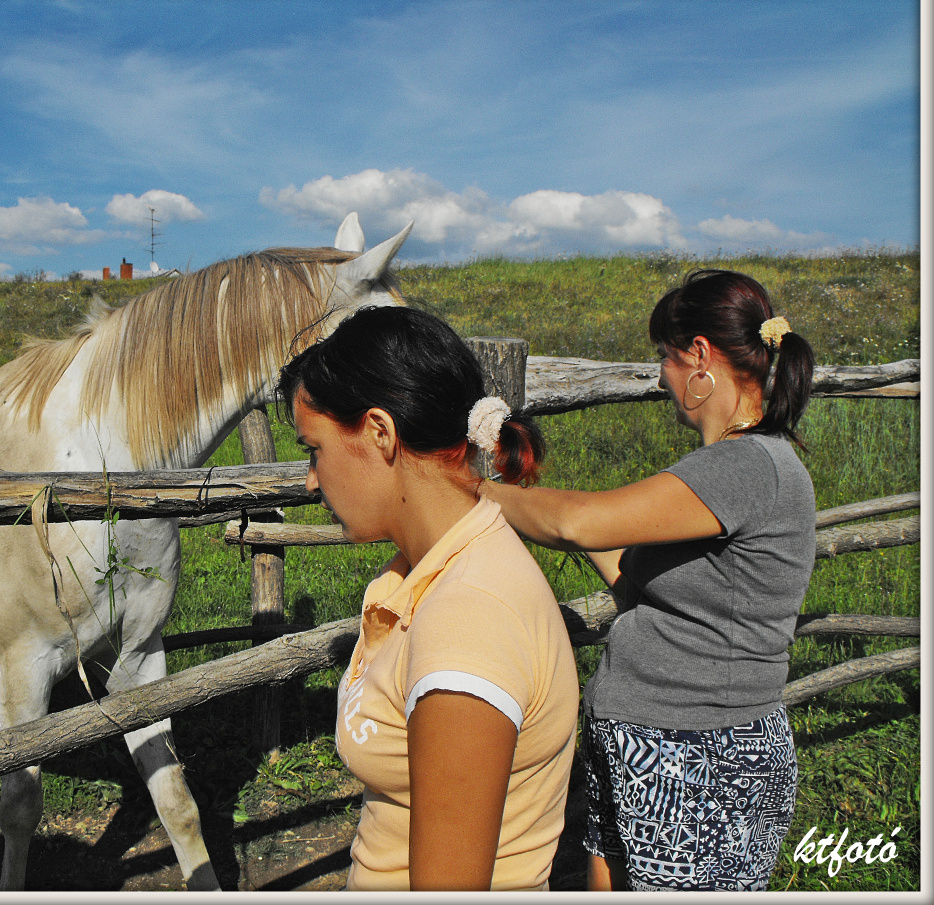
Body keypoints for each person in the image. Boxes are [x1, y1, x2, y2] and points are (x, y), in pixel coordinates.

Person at [480, 268, 816, 892]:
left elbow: (580, 523)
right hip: (649, 746)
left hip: (699, 757)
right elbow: (634, 582)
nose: (661, 374)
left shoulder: (747, 466)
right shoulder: (724, 468)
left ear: (699, 357)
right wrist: (530, 497)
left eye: (664, 356)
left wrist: (475, 492)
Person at [277, 305, 579, 891]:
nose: (312, 478)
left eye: (314, 448)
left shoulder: (467, 620)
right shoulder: (439, 570)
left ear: (379, 433)